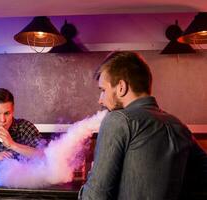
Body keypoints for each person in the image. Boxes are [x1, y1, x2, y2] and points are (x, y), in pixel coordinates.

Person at [80, 51, 207, 199]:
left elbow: (95, 196)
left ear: (121, 87)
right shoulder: (180, 126)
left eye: (103, 90)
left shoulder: (117, 120)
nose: (100, 100)